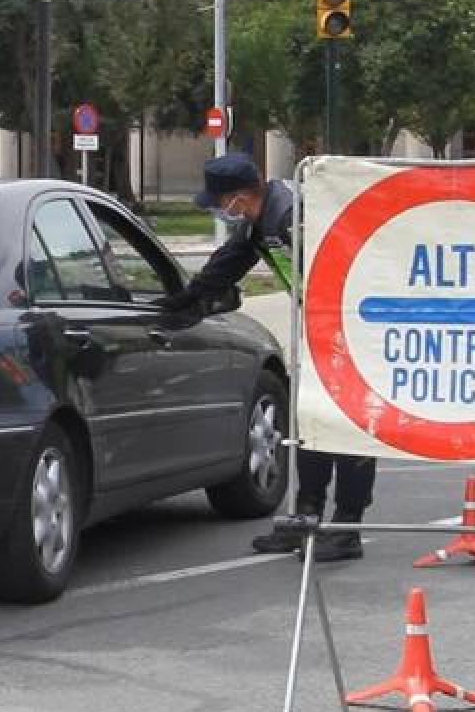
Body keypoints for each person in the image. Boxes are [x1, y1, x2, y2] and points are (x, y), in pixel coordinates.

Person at [156, 153, 373, 562]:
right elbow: (231, 261)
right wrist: (189, 297)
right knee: (309, 419)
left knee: (347, 423)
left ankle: (347, 526)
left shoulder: (294, 217)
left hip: (350, 327)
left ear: (238, 198)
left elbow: (344, 266)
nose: (221, 211)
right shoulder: (263, 219)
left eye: (220, 202)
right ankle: (306, 520)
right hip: (321, 327)